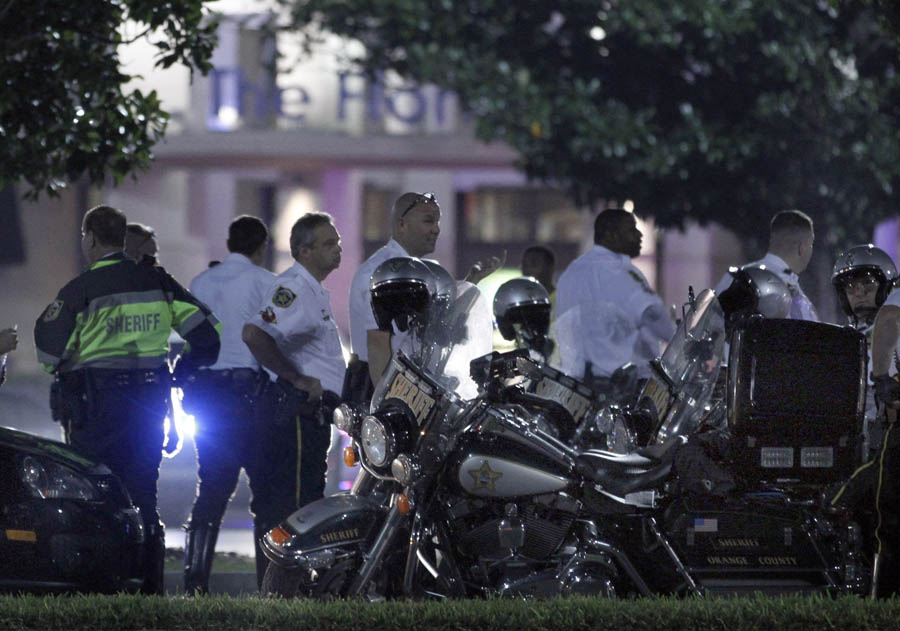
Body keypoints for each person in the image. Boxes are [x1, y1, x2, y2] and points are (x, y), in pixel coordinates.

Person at [33, 205, 221, 595]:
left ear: (90, 239)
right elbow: (207, 336)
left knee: (96, 497)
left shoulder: (79, 290)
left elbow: (49, 355)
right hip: (149, 405)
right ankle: (150, 588)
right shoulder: (157, 282)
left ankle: (103, 589)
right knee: (144, 496)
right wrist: (179, 370)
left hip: (96, 409)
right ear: (121, 238)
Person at [181, 215, 276, 594]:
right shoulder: (267, 283)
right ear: (261, 246)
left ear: (229, 242)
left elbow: (191, 337)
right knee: (264, 495)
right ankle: (269, 585)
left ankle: (194, 584)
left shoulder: (200, 282)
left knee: (212, 490)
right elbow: (272, 339)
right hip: (250, 396)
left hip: (210, 397)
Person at [242, 212, 346, 531]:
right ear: (305, 251)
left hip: (314, 416)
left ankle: (291, 581)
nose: (337, 249)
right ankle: (284, 581)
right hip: (297, 415)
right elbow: (254, 334)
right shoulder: (293, 288)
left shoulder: (313, 289)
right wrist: (297, 379)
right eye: (329, 244)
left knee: (307, 501)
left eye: (337, 242)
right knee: (296, 508)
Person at [347, 191, 503, 397]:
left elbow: (438, 327)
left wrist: (471, 282)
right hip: (382, 388)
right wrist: (387, 404)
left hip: (410, 386)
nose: (436, 230)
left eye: (438, 222)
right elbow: (377, 344)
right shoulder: (383, 272)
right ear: (402, 224)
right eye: (429, 221)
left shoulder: (418, 270)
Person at [555, 208, 675, 386]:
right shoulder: (618, 271)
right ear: (611, 235)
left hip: (578, 385)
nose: (639, 235)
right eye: (631, 230)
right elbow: (650, 312)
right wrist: (679, 338)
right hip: (622, 388)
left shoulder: (572, 272)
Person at [832, 244, 898, 459]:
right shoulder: (838, 338)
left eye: (868, 284)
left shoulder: (896, 327)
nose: (859, 293)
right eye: (850, 286)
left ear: (885, 287)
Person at [714, 210, 818, 321]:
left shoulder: (735, 277)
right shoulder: (796, 297)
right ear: (802, 248)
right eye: (811, 244)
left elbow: (711, 325)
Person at [520, 245, 556, 310]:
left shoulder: (562, 300)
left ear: (550, 267)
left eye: (534, 264)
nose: (527, 270)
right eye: (524, 265)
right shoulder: (519, 303)